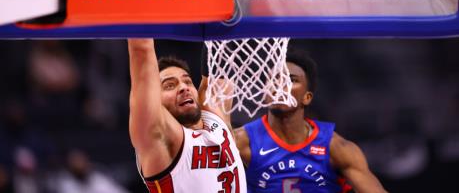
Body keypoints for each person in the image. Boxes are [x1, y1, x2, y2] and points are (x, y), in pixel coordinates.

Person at [234, 48, 387, 193]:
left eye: (292, 80)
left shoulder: (336, 147)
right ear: (264, 92)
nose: (281, 85)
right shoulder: (242, 140)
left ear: (307, 98)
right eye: (275, 79)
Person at [128, 39, 246, 193]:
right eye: (170, 85)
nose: (183, 88)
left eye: (188, 81)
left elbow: (220, 46)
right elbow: (141, 51)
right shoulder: (159, 137)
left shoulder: (216, 119)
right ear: (155, 99)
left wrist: (220, 19)